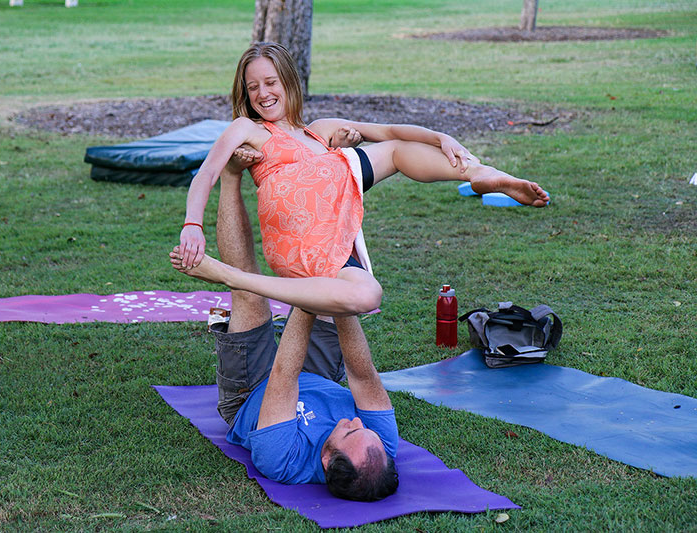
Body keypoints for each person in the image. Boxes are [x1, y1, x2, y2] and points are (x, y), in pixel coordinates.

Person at [177, 41, 549, 318]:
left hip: (330, 233)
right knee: (386, 152)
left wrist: (440, 137)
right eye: (253, 86)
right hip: (295, 235)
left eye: (270, 82)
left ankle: (484, 174)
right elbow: (207, 172)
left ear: (289, 82)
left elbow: (385, 129)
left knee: (368, 295)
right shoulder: (248, 128)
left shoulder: (320, 130)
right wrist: (193, 225)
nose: (263, 93)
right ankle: (231, 276)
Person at [190, 155, 398, 501]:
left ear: (328, 459)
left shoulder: (282, 461)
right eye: (364, 429)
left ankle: (230, 176)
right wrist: (337, 294)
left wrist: (309, 290)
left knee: (248, 297)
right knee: (338, 287)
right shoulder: (380, 446)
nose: (358, 422)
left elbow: (283, 377)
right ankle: (320, 159)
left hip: (254, 392)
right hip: (318, 378)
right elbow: (361, 376)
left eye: (350, 432)